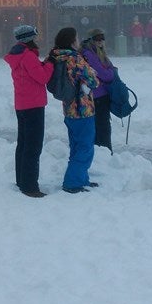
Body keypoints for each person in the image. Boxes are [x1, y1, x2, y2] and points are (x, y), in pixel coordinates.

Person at [4, 24, 54, 198]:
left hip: (22, 104)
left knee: (24, 145)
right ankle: (30, 186)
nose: (36, 40)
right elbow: (43, 77)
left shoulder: (17, 55)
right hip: (34, 105)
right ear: (29, 39)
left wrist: (42, 64)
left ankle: (21, 180)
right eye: (34, 37)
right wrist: (49, 65)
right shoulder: (28, 56)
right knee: (33, 147)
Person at [49, 27, 99, 194]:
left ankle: (81, 178)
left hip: (69, 108)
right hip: (83, 109)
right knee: (85, 147)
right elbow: (92, 79)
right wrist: (91, 77)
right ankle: (72, 182)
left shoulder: (56, 56)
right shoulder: (74, 58)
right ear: (71, 40)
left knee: (76, 146)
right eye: (76, 38)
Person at [81, 29, 116, 153]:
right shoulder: (89, 54)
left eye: (102, 37)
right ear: (91, 40)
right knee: (102, 127)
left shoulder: (96, 52)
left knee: (100, 126)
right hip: (97, 96)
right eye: (97, 38)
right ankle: (105, 153)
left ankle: (102, 152)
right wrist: (112, 73)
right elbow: (105, 74)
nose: (101, 41)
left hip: (99, 94)